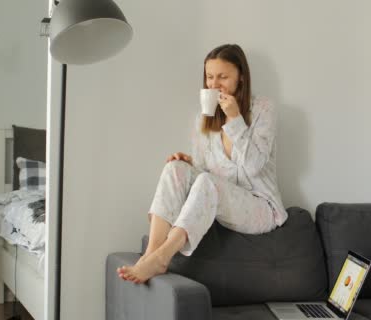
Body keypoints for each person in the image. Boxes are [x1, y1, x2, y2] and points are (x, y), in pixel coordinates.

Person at [117, 44, 287, 284]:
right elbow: (208, 173)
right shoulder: (203, 118)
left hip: (261, 206)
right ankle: (151, 253)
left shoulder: (263, 109)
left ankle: (163, 257)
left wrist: (235, 119)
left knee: (207, 182)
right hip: (223, 197)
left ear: (241, 77)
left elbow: (253, 167)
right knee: (174, 167)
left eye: (223, 77)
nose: (214, 84)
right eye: (209, 77)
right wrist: (190, 165)